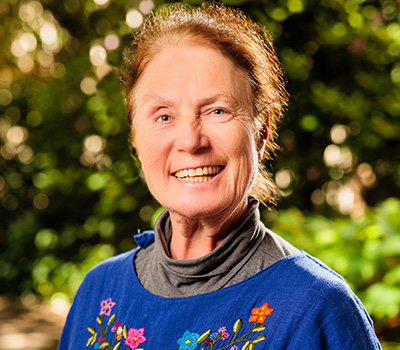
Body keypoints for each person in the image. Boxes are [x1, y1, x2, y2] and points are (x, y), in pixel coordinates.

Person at [59, 3, 382, 349]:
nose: (190, 141)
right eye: (163, 116)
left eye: (217, 110)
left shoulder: (317, 308)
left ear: (261, 133)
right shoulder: (98, 293)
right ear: (135, 138)